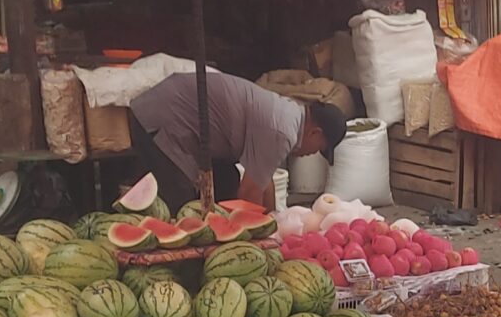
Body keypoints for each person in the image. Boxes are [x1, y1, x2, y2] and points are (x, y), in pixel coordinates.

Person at [129, 72, 348, 213]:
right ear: (314, 133)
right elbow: (249, 194)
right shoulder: (283, 131)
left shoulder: (289, 115)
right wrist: (254, 248)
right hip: (161, 119)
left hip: (167, 114)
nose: (310, 154)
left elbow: (264, 181)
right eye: (318, 149)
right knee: (178, 206)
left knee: (226, 180)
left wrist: (273, 223)